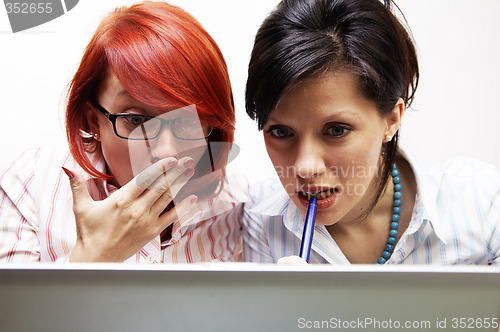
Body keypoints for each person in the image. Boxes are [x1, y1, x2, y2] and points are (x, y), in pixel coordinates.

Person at [243, 0, 500, 264]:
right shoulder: (260, 220)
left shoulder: (484, 205)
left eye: (336, 130)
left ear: (391, 119)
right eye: (281, 132)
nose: (306, 168)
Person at [0, 1, 248, 263]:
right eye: (136, 119)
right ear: (92, 121)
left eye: (187, 122)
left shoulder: (234, 201)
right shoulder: (34, 183)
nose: (166, 151)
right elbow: (13, 305)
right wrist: (93, 258)